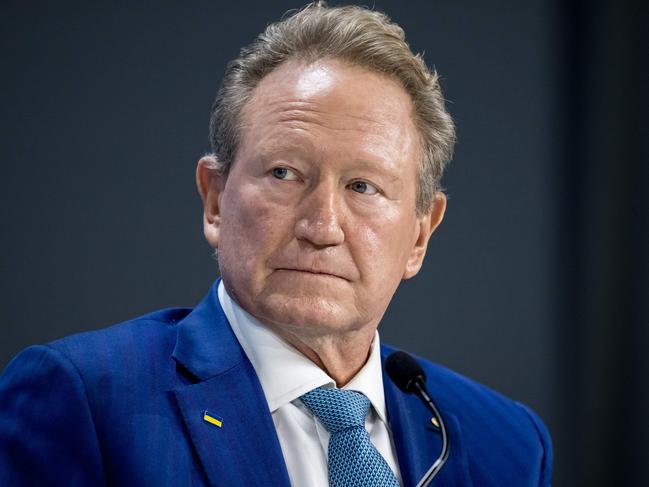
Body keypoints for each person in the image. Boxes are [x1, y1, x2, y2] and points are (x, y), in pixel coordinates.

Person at [0, 3, 552, 486]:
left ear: (420, 235)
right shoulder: (86, 400)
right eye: (285, 173)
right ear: (214, 199)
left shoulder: (506, 443)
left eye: (363, 186)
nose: (322, 226)